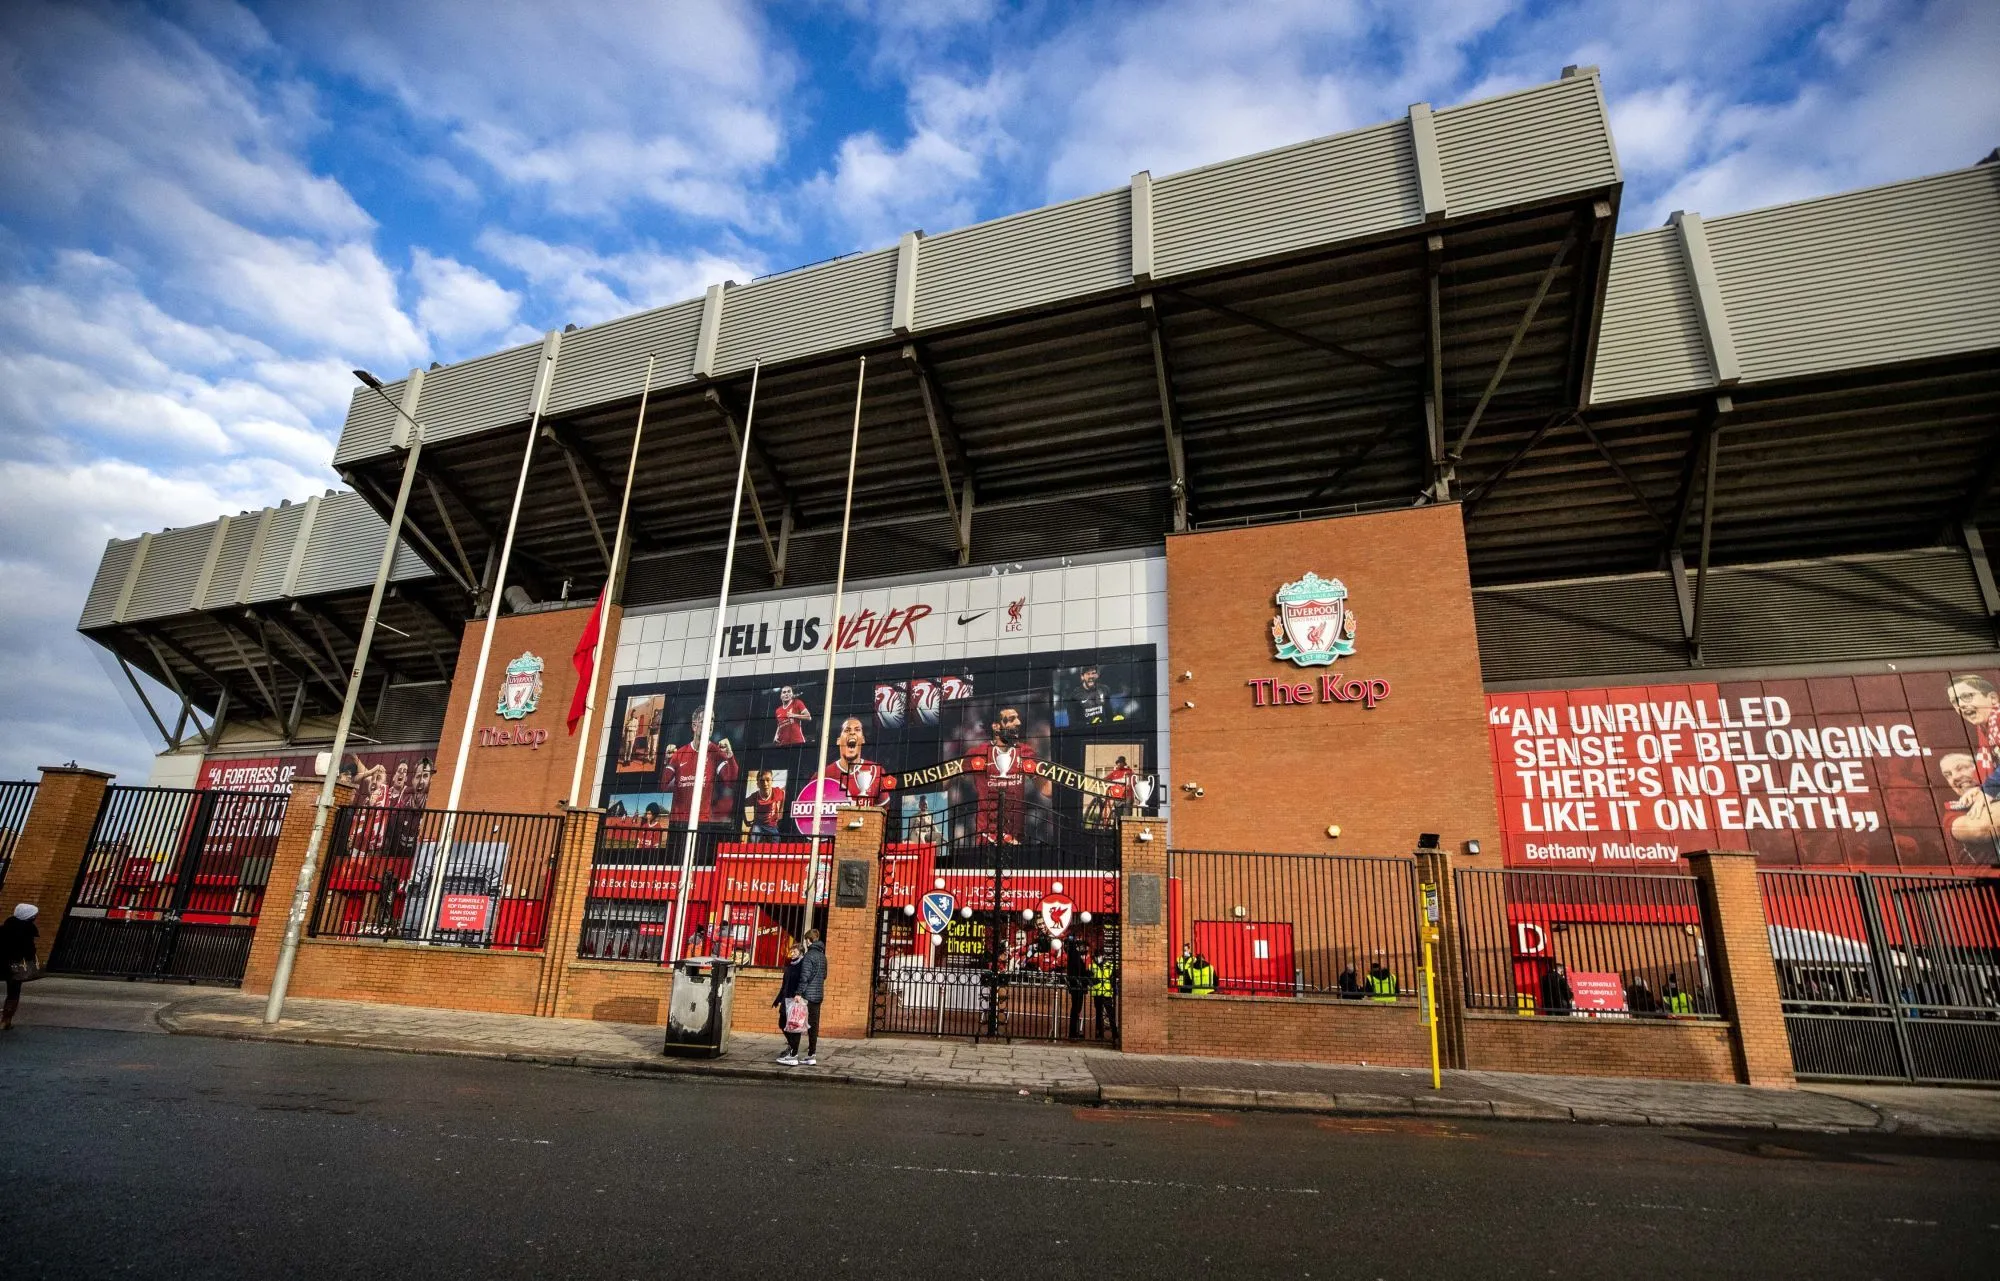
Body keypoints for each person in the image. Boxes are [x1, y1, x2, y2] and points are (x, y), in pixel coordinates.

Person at [659, 708, 740, 824]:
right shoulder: (679, 753)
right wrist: (666, 762)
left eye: (712, 720)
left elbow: (732, 783)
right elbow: (663, 787)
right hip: (677, 822)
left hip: (701, 823)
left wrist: (730, 756)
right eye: (705, 720)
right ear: (694, 726)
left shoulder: (716, 752)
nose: (710, 724)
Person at [972, 706, 1040, 845]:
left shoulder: (1026, 752)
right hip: (987, 842)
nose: (1018, 722)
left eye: (1018, 718)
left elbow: (1047, 790)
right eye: (1011, 719)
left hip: (1017, 840)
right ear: (996, 727)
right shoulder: (978, 753)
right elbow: (946, 780)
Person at [813, 717, 890, 805]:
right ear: (838, 741)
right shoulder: (822, 776)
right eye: (847, 730)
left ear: (863, 739)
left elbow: (883, 811)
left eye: (857, 730)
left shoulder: (876, 771)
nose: (852, 732)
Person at [2, 903, 40, 1031]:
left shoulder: (5, 928)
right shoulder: (27, 931)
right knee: (13, 992)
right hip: (15, 965)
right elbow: (29, 952)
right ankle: (5, 1020)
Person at [796, 928, 827, 1065]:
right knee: (813, 1025)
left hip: (807, 994)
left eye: (805, 940)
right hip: (818, 994)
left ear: (809, 941)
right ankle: (812, 1054)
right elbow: (824, 976)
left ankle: (793, 1052)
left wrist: (798, 993)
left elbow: (805, 977)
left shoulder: (809, 956)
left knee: (797, 1022)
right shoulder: (822, 956)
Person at [774, 942, 807, 1065]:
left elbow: (803, 982)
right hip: (785, 999)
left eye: (795, 951)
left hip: (795, 1000)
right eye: (791, 951)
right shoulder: (790, 965)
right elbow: (784, 985)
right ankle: (792, 1046)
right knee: (782, 1023)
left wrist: (799, 995)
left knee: (794, 1027)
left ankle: (793, 1051)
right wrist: (777, 999)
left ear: (801, 952)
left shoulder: (803, 966)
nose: (792, 953)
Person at [747, 771, 787, 839]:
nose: (765, 784)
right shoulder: (754, 796)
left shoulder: (777, 792)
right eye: (762, 781)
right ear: (758, 784)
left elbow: (784, 794)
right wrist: (746, 820)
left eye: (768, 780)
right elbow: (740, 805)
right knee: (753, 840)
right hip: (758, 825)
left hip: (771, 825)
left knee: (776, 840)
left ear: (772, 781)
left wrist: (780, 812)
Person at [1065, 941, 1091, 1039]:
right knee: (1076, 1010)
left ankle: (1074, 1032)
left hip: (1076, 986)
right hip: (1077, 986)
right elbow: (1080, 971)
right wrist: (1088, 974)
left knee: (1076, 1010)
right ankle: (1073, 1033)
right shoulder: (1075, 956)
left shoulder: (1073, 956)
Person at [1090, 949, 1117, 1039]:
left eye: (1099, 956)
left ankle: (1115, 1034)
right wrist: (1093, 981)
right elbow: (1089, 978)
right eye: (1096, 956)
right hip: (1097, 993)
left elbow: (1113, 979)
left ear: (1103, 956)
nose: (1098, 958)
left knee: (1110, 1013)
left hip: (1107, 993)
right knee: (1098, 1014)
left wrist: (1114, 990)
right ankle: (1099, 1034)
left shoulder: (1109, 965)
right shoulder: (1092, 965)